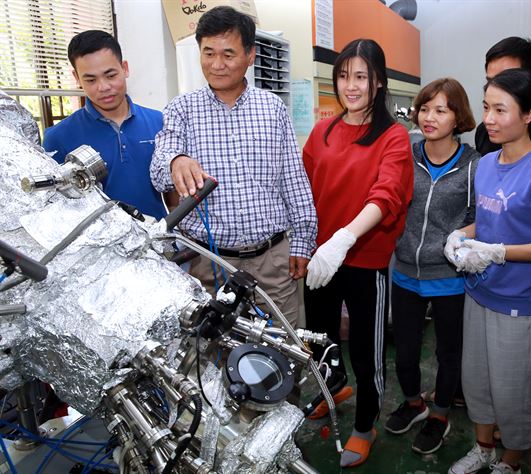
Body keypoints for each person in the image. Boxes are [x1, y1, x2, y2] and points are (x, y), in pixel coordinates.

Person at [150, 6, 316, 327]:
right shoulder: (182, 110)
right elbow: (158, 173)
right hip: (211, 263)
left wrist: (304, 242)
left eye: (228, 54)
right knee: (219, 359)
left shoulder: (272, 109)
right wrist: (176, 161)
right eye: (208, 52)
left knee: (284, 352)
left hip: (273, 261)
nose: (217, 64)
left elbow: (293, 182)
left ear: (250, 55)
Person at [302, 38, 413, 468]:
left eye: (361, 77)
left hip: (364, 260)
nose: (351, 86)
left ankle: (365, 425)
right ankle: (334, 388)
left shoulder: (393, 136)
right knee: (322, 340)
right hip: (321, 259)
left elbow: (386, 196)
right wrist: (308, 245)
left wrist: (345, 238)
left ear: (379, 82)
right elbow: (304, 191)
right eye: (344, 76)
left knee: (367, 351)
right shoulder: (323, 131)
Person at [445, 69, 531, 474]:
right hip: (477, 293)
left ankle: (510, 460)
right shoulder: (487, 164)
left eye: (500, 110)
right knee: (476, 380)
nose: (489, 119)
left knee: (512, 389)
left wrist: (498, 252)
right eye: (487, 108)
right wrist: (462, 234)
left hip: (516, 301)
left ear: (529, 114)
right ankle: (483, 448)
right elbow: (488, 220)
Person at [384, 78, 480, 455]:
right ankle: (413, 403)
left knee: (448, 353)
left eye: (441, 109)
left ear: (458, 117)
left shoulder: (473, 165)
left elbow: (477, 216)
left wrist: (457, 239)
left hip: (449, 278)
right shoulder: (406, 153)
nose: (429, 117)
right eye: (424, 108)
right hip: (405, 270)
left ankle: (440, 412)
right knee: (404, 352)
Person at [43, 30, 166, 220]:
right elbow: (56, 208)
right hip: (97, 247)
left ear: (125, 68)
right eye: (91, 80)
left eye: (110, 75)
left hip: (159, 243)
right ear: (77, 78)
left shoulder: (160, 122)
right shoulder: (58, 137)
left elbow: (174, 193)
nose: (103, 87)